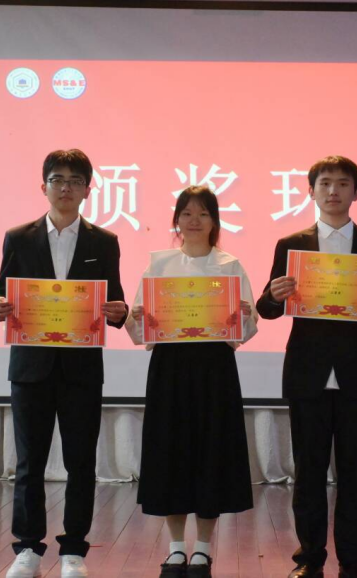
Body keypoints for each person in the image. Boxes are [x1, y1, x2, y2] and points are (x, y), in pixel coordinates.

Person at [256, 156, 357, 578]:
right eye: (324, 183)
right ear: (311, 191)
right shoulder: (291, 245)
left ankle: (354, 561)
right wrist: (273, 295)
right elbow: (267, 309)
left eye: (343, 183)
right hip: (308, 373)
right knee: (308, 472)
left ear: (356, 192)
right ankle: (309, 558)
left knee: (356, 473)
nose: (333, 191)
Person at [0, 149, 128, 578]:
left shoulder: (104, 241)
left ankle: (73, 551)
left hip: (81, 370)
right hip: (31, 368)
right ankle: (28, 548)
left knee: (80, 462)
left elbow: (115, 301)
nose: (66, 187)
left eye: (75, 181)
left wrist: (118, 312)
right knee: (29, 463)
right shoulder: (19, 237)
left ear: (88, 190)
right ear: (43, 186)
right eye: (58, 179)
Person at [125, 185, 257, 578]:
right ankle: (175, 548)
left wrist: (244, 315)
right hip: (170, 368)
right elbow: (139, 327)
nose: (194, 221)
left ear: (214, 221)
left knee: (211, 451)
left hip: (215, 369)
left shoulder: (229, 265)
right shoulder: (159, 264)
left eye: (202, 214)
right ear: (176, 221)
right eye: (186, 213)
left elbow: (246, 328)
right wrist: (137, 316)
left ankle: (203, 548)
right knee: (171, 451)